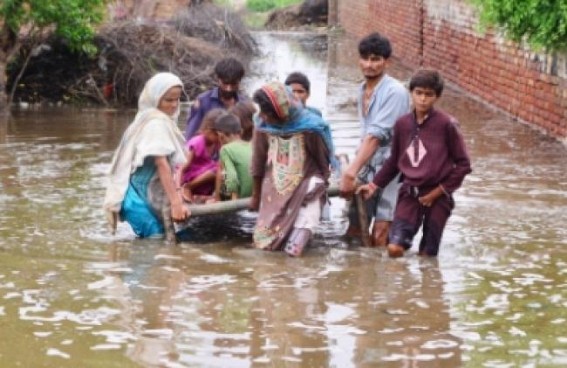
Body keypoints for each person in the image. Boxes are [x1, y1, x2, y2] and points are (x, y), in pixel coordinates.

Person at [357, 69, 472, 257]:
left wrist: (437, 193)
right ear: (411, 93)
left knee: (427, 255)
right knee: (394, 248)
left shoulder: (447, 125)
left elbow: (463, 164)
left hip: (438, 196)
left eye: (429, 94)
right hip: (409, 193)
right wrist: (374, 185)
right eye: (419, 93)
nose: (423, 99)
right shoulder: (402, 124)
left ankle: (427, 286)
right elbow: (395, 161)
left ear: (437, 97)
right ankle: (402, 285)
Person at [339, 32, 410, 247]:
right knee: (355, 226)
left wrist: (350, 172)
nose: (369, 65)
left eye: (376, 59)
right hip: (368, 163)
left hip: (393, 166)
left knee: (381, 230)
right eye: (366, 59)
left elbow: (374, 137)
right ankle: (358, 272)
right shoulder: (361, 89)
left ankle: (382, 275)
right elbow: (366, 137)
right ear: (359, 60)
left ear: (386, 62)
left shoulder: (395, 92)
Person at [250, 82, 335, 257]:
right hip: (275, 188)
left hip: (306, 182)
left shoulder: (311, 128)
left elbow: (323, 163)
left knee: (295, 246)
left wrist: (320, 187)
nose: (264, 116)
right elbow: (258, 161)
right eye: (262, 111)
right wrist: (256, 195)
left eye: (268, 113)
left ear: (281, 112)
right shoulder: (262, 126)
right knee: (265, 244)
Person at [103, 72, 190, 238]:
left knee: (163, 242)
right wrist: (176, 202)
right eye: (168, 100)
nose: (174, 105)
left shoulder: (154, 119)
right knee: (155, 243)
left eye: (177, 99)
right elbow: (162, 164)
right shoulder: (156, 123)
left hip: (146, 195)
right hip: (137, 200)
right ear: (155, 99)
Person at [184, 57, 248, 139]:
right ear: (218, 79)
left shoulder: (245, 104)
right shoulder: (203, 101)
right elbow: (191, 133)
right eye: (225, 83)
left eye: (233, 84)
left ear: (240, 81)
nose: (229, 88)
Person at [177, 108, 224, 203]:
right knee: (216, 169)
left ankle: (209, 196)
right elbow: (181, 167)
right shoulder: (197, 142)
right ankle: (188, 188)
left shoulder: (216, 143)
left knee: (221, 168)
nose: (219, 138)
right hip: (188, 176)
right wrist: (177, 189)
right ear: (207, 129)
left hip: (201, 174)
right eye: (216, 135)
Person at [210, 113, 253, 201]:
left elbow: (232, 177)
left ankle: (217, 200)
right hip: (254, 196)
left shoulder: (226, 149)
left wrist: (234, 201)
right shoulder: (252, 145)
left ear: (220, 136)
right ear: (241, 131)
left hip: (240, 198)